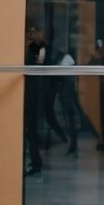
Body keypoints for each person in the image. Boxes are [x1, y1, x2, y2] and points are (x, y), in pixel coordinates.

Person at [23, 22, 62, 176]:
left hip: (36, 93)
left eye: (34, 31)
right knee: (30, 128)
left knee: (32, 128)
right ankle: (34, 161)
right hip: (32, 92)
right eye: (29, 32)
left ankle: (35, 162)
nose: (31, 35)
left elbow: (37, 63)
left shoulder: (39, 47)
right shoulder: (34, 46)